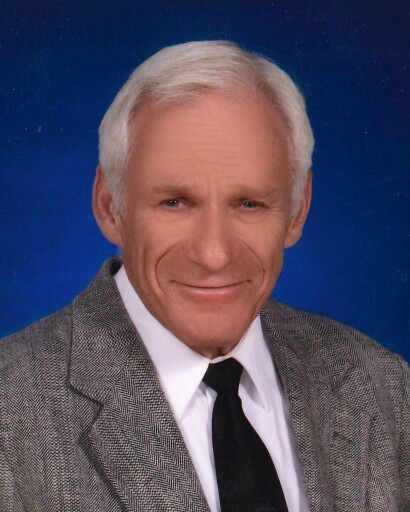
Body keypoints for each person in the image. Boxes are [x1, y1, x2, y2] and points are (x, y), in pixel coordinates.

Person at [0, 41, 408, 512]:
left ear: (297, 211)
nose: (214, 254)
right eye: (174, 202)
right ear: (111, 207)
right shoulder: (12, 411)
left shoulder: (384, 386)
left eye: (249, 204)